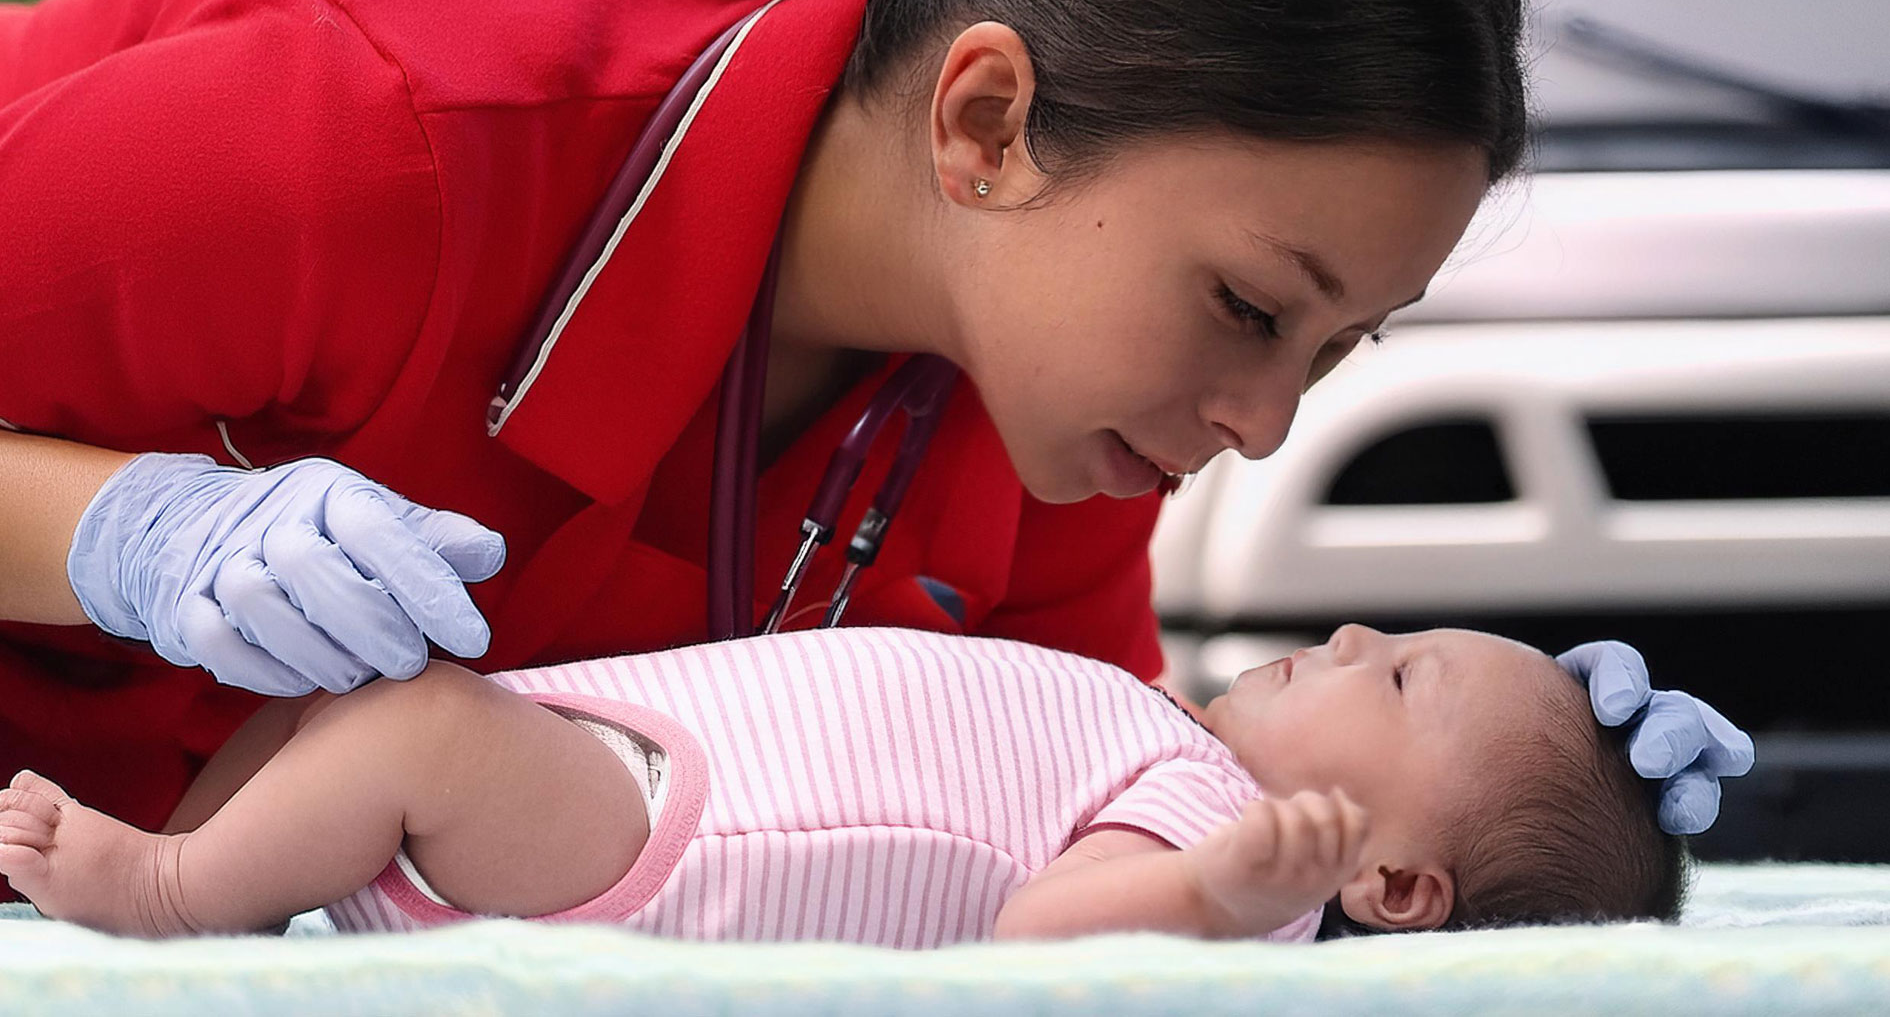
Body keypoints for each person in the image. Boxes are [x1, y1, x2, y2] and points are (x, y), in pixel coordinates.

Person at [0, 0, 1740, 862]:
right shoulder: (380, 132)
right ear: (985, 118)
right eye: (1246, 307)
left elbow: (1101, 836)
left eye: (1337, 348)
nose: (1265, 425)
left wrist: (1482, 805)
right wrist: (119, 530)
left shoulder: (1044, 429)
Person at [0, 623, 1747, 944]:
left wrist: (1216, 896)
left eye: (1397, 675)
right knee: (365, 700)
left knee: (414, 732)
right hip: (627, 762)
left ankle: (161, 894)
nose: (1351, 632)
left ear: (1390, 881)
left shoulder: (1226, 854)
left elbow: (1045, 927)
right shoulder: (1166, 732)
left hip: (662, 840)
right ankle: (205, 859)